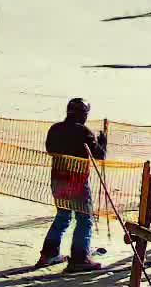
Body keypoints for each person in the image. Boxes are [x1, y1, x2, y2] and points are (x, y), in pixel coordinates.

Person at [41, 98, 108, 271]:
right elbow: (98, 155)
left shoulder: (55, 129)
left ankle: (48, 254)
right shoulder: (83, 132)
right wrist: (102, 143)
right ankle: (79, 258)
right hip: (77, 182)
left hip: (58, 180)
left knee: (63, 216)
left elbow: (50, 149)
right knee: (84, 219)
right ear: (83, 114)